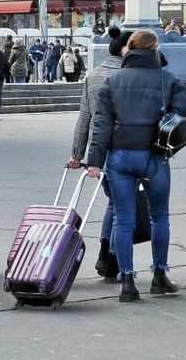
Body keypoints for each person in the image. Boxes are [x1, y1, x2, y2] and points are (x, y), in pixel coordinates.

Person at [87, 30, 186, 302]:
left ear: (128, 50)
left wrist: (95, 161)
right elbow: (184, 113)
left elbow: (101, 125)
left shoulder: (113, 80)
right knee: (159, 217)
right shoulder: (167, 79)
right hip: (155, 155)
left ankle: (128, 283)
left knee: (123, 220)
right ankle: (159, 276)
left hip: (120, 156)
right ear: (155, 49)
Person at [68, 27, 129, 279]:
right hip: (124, 146)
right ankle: (111, 254)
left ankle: (108, 253)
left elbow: (84, 118)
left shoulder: (93, 75)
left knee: (114, 202)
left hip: (97, 149)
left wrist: (76, 154)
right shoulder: (128, 76)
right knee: (121, 204)